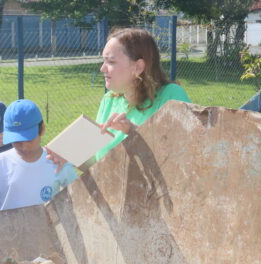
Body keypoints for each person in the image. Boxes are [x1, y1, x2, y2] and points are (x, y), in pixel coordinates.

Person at [48, 28, 191, 169]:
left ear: (138, 66)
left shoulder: (171, 96)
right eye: (104, 61)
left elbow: (184, 155)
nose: (102, 68)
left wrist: (133, 132)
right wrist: (71, 157)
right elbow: (100, 164)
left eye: (111, 61)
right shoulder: (109, 100)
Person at [0, 100, 78, 213]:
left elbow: (79, 194)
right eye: (16, 140)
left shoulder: (57, 162)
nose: (23, 146)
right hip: (7, 229)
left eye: (28, 139)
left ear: (42, 129)